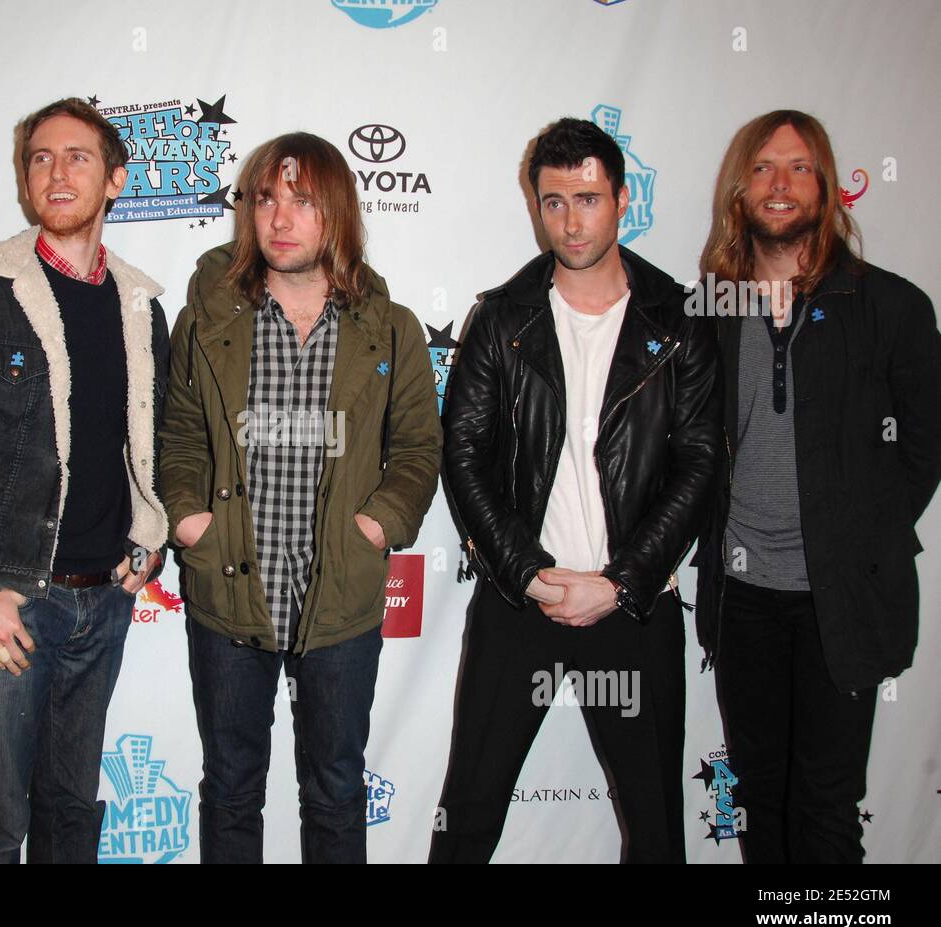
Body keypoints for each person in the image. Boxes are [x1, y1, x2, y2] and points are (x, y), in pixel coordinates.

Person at [432, 118, 723, 863]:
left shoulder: (680, 318)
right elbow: (463, 457)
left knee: (657, 833)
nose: (570, 219)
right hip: (520, 603)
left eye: (588, 198)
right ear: (536, 204)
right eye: (554, 201)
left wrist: (623, 582)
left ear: (623, 199)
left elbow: (698, 465)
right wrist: (525, 573)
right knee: (466, 818)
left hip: (633, 604)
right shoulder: (502, 317)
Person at [0, 97, 169, 864]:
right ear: (23, 179)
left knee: (71, 813)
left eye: (78, 157)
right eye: (40, 158)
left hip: (102, 601)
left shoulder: (143, 304)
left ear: (115, 179)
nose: (56, 172)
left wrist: (150, 540)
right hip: (7, 600)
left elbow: (158, 443)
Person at [159, 132, 441, 863]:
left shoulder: (391, 329)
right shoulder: (208, 321)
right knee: (229, 786)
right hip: (227, 593)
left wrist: (376, 527)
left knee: (337, 788)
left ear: (337, 212)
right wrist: (193, 523)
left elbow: (416, 449)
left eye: (302, 199)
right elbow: (180, 437)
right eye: (265, 198)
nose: (280, 217)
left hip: (341, 598)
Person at [695, 109, 941, 863]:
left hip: (843, 602)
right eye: (764, 168)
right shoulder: (710, 309)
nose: (780, 184)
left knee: (828, 809)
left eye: (799, 167)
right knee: (762, 802)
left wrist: (858, 538)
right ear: (741, 190)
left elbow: (924, 445)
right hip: (743, 601)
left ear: (827, 188)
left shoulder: (891, 306)